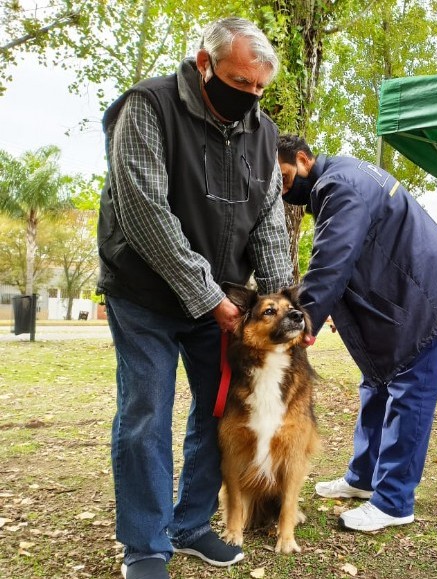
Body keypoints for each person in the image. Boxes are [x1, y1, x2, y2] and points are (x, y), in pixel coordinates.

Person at [96, 18, 292, 579]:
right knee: (146, 412)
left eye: (259, 88)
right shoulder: (148, 107)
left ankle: (189, 525)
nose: (249, 96)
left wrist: (281, 305)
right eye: (239, 82)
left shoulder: (262, 134)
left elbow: (270, 224)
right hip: (146, 294)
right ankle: (146, 544)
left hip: (223, 307)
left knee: (219, 412)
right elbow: (143, 210)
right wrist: (204, 294)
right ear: (205, 65)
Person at [278, 135, 437, 532]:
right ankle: (364, 479)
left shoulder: (339, 185)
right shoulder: (341, 177)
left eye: (285, 178)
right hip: (406, 293)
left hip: (425, 299)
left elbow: (332, 259)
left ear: (303, 159)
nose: (285, 190)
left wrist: (302, 321)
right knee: (377, 385)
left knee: (409, 393)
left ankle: (394, 501)